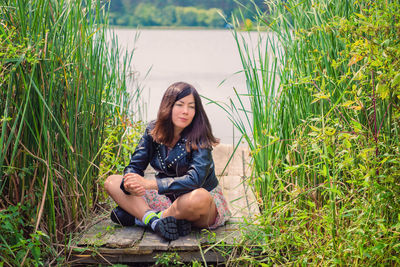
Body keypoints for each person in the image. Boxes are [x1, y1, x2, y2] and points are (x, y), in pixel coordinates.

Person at [104, 81, 231, 241]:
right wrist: (130, 183)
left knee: (199, 197)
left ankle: (143, 219)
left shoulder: (200, 137)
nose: (185, 111)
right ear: (168, 105)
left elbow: (195, 180)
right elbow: (135, 166)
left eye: (191, 106)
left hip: (197, 204)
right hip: (166, 198)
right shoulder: (153, 130)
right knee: (112, 182)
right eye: (180, 104)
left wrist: (149, 184)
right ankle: (156, 222)